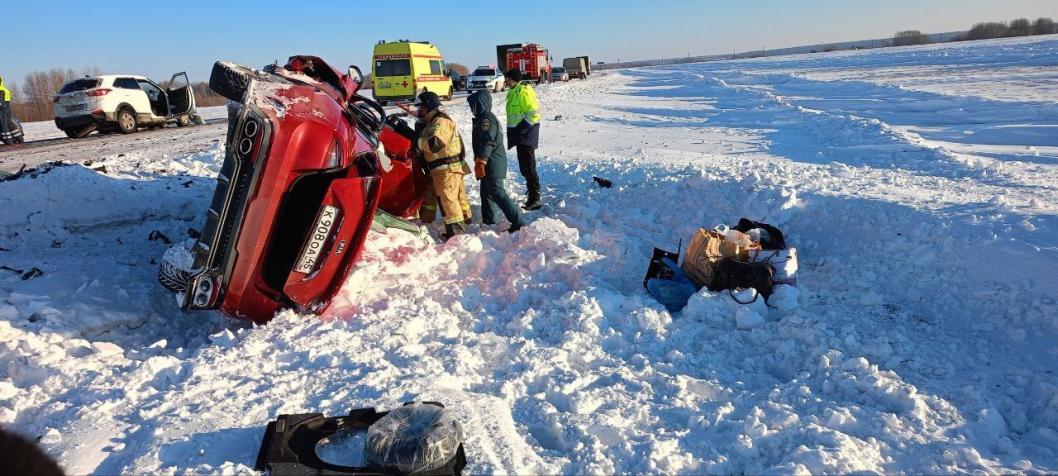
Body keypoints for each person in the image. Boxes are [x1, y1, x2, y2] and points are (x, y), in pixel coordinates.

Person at [415, 91, 472, 239]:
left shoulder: (441, 122)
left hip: (447, 169)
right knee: (454, 199)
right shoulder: (431, 123)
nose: (418, 112)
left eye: (421, 109)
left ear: (430, 108)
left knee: (448, 201)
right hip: (442, 169)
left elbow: (435, 144)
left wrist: (417, 141)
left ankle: (456, 234)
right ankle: (465, 223)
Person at [468, 90, 524, 233]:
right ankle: (489, 222)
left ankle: (519, 222)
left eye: (473, 104)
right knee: (486, 192)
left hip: (492, 163)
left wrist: (481, 161)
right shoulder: (482, 118)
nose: (471, 108)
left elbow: (488, 142)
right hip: (489, 163)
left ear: (480, 104)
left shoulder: (486, 120)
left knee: (497, 192)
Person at [503, 69, 542, 210]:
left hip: (526, 134)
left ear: (513, 79)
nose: (505, 81)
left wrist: (521, 129)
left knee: (528, 167)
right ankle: (532, 192)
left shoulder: (523, 92)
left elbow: (534, 114)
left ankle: (535, 198)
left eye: (507, 79)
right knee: (524, 167)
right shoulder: (513, 91)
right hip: (520, 134)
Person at [0, 74, 17, 144]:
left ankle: (9, 141)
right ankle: (18, 138)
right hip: (6, 105)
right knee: (9, 122)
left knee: (4, 124)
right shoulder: (4, 89)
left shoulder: (1, 90)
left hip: (2, 107)